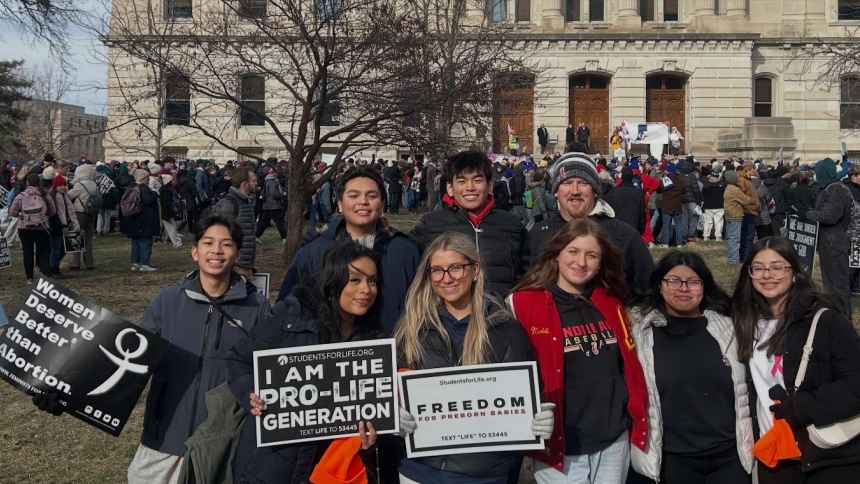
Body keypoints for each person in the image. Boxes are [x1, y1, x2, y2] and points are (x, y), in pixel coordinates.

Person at [394, 231, 550, 484]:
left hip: (485, 473)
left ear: (475, 269)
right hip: (421, 470)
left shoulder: (503, 329)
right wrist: (393, 415)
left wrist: (536, 416)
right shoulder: (412, 329)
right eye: (437, 270)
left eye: (455, 268)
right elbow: (391, 388)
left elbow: (527, 393)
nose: (446, 278)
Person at [126, 214, 269, 484]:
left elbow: (267, 370)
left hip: (224, 441)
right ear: (195, 252)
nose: (216, 250)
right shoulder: (167, 300)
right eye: (208, 243)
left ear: (237, 254)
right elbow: (131, 361)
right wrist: (71, 393)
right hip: (165, 435)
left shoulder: (257, 308)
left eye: (226, 245)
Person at [226, 241, 383, 484]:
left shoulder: (374, 341)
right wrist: (250, 394)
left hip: (331, 470)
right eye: (355, 280)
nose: (366, 290)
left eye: (372, 281)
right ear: (333, 280)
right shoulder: (292, 315)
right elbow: (239, 360)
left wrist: (367, 443)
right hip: (271, 466)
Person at [509, 218, 648, 484]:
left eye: (591, 255)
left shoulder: (611, 300)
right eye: (573, 251)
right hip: (562, 444)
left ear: (600, 263)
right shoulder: (524, 303)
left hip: (613, 438)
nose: (581, 262)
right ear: (557, 253)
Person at [731, 236, 860, 484]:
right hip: (774, 456)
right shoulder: (745, 322)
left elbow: (856, 384)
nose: (767, 274)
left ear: (794, 273)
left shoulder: (826, 320)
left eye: (778, 266)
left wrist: (801, 408)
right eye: (758, 268)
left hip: (824, 456)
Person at [628, 251, 754, 483]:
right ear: (659, 285)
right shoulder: (640, 336)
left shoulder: (730, 330)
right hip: (674, 458)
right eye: (673, 281)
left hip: (729, 456)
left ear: (704, 287)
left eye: (693, 282)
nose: (683, 288)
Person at [276, 166, 419, 335]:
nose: (363, 202)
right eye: (354, 195)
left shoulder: (405, 250)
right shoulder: (312, 252)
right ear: (340, 205)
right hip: (332, 354)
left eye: (371, 196)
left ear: (382, 204)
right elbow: (287, 312)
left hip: (395, 351)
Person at [526, 152, 654, 296]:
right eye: (567, 183)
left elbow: (648, 291)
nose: (575, 191)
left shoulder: (624, 235)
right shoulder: (537, 234)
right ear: (556, 191)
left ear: (595, 191)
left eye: (583, 183)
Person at [410, 150, 526, 297]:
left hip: (498, 315)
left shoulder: (512, 224)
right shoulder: (432, 224)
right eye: (461, 181)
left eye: (477, 180)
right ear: (450, 188)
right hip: (447, 316)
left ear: (490, 186)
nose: (470, 187)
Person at [805, 158, 853, 318]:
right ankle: (835, 315)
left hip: (835, 241)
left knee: (838, 285)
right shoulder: (828, 187)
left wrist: (807, 214)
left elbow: (830, 216)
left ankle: (843, 319)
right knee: (830, 284)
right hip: (828, 241)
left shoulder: (835, 189)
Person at [9, 174, 56, 284]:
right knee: (44, 251)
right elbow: (53, 210)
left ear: (27, 183)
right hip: (42, 226)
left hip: (25, 227)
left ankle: (29, 277)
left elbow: (13, 212)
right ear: (39, 182)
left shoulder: (21, 196)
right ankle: (45, 275)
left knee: (27, 252)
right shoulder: (44, 194)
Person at [212, 167, 257, 280]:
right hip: (234, 266)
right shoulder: (228, 204)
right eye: (254, 181)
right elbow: (217, 235)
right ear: (244, 184)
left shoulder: (246, 202)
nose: (256, 183)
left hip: (244, 264)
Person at [124, 169, 160, 272]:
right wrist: (155, 193)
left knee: (135, 242)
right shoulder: (143, 188)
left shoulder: (131, 187)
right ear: (143, 178)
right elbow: (147, 200)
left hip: (133, 218)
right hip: (144, 219)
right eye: (147, 177)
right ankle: (144, 263)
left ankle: (135, 263)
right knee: (146, 241)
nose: (149, 179)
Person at [47, 175, 80, 279]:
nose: (62, 187)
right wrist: (61, 227)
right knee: (56, 248)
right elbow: (53, 215)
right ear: (55, 186)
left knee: (64, 248)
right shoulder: (52, 197)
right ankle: (54, 269)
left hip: (64, 226)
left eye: (64, 185)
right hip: (55, 227)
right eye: (60, 185)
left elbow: (70, 212)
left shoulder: (65, 197)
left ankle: (52, 265)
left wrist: (74, 224)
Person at [724, 169, 758, 267]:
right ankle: (733, 261)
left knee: (731, 238)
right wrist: (753, 199)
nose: (738, 178)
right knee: (735, 239)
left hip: (730, 215)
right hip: (735, 215)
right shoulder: (734, 190)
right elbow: (745, 200)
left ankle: (732, 258)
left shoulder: (728, 187)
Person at [67, 163, 98, 270]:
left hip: (79, 212)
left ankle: (76, 263)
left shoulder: (79, 185)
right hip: (91, 212)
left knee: (76, 236)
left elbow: (69, 196)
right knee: (88, 238)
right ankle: (89, 263)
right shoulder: (94, 184)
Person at [605, 167, 646, 235]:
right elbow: (642, 213)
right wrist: (642, 229)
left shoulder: (614, 191)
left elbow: (609, 210)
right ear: (632, 177)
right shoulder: (638, 192)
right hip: (634, 226)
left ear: (622, 177)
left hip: (618, 225)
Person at [657, 162, 685, 248]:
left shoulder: (664, 181)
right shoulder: (681, 181)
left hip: (667, 205)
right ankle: (679, 243)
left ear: (668, 171)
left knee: (666, 224)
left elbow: (658, 191)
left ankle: (665, 243)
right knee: (678, 224)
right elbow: (685, 192)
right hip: (677, 205)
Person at [255, 167, 286, 242]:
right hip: (273, 205)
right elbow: (273, 194)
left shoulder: (267, 181)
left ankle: (255, 236)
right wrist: (282, 194)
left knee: (264, 222)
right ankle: (285, 237)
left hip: (267, 205)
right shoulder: (272, 182)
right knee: (279, 222)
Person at [738, 163, 761, 261]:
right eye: (753, 169)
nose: (755, 171)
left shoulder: (748, 178)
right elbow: (740, 194)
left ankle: (746, 255)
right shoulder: (742, 179)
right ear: (749, 169)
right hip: (748, 210)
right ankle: (745, 256)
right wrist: (751, 201)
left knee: (748, 234)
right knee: (748, 234)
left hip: (751, 209)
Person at [678, 158, 702, 244]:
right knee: (694, 217)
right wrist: (699, 198)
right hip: (692, 200)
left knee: (684, 218)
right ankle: (691, 235)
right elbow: (696, 188)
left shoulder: (679, 176)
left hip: (682, 199)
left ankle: (684, 235)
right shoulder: (692, 176)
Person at [701, 166, 727, 241]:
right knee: (718, 221)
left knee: (707, 222)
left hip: (708, 205)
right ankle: (718, 236)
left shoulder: (706, 185)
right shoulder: (722, 185)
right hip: (719, 205)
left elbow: (703, 195)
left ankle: (706, 235)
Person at [159, 174, 184, 248]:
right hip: (167, 212)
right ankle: (177, 243)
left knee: (170, 227)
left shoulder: (165, 189)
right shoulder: (167, 191)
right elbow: (166, 204)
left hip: (166, 212)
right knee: (171, 228)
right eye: (172, 180)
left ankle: (176, 242)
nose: (173, 181)